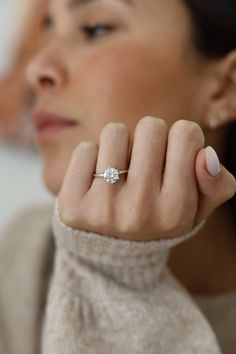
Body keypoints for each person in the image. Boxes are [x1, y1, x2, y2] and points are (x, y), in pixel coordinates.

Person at [0, 0, 236, 353]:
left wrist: (119, 272)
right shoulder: (22, 258)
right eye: (47, 28)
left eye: (96, 28)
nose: (36, 69)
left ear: (224, 88)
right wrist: (108, 264)